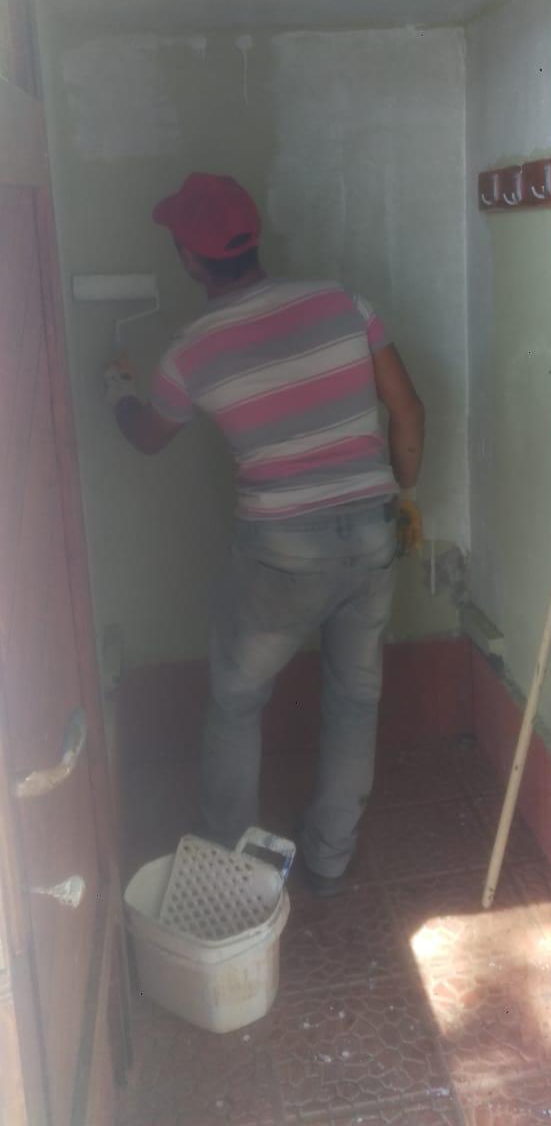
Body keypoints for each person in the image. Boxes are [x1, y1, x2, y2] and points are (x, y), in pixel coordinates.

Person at [105, 172, 424, 893]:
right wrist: (405, 497)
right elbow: (408, 410)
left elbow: (147, 437)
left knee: (238, 701)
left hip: (279, 552)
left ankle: (227, 865)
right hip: (371, 535)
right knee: (355, 699)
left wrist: (116, 391)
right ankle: (330, 858)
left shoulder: (192, 351)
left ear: (190, 259)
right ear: (254, 239)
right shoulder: (343, 303)